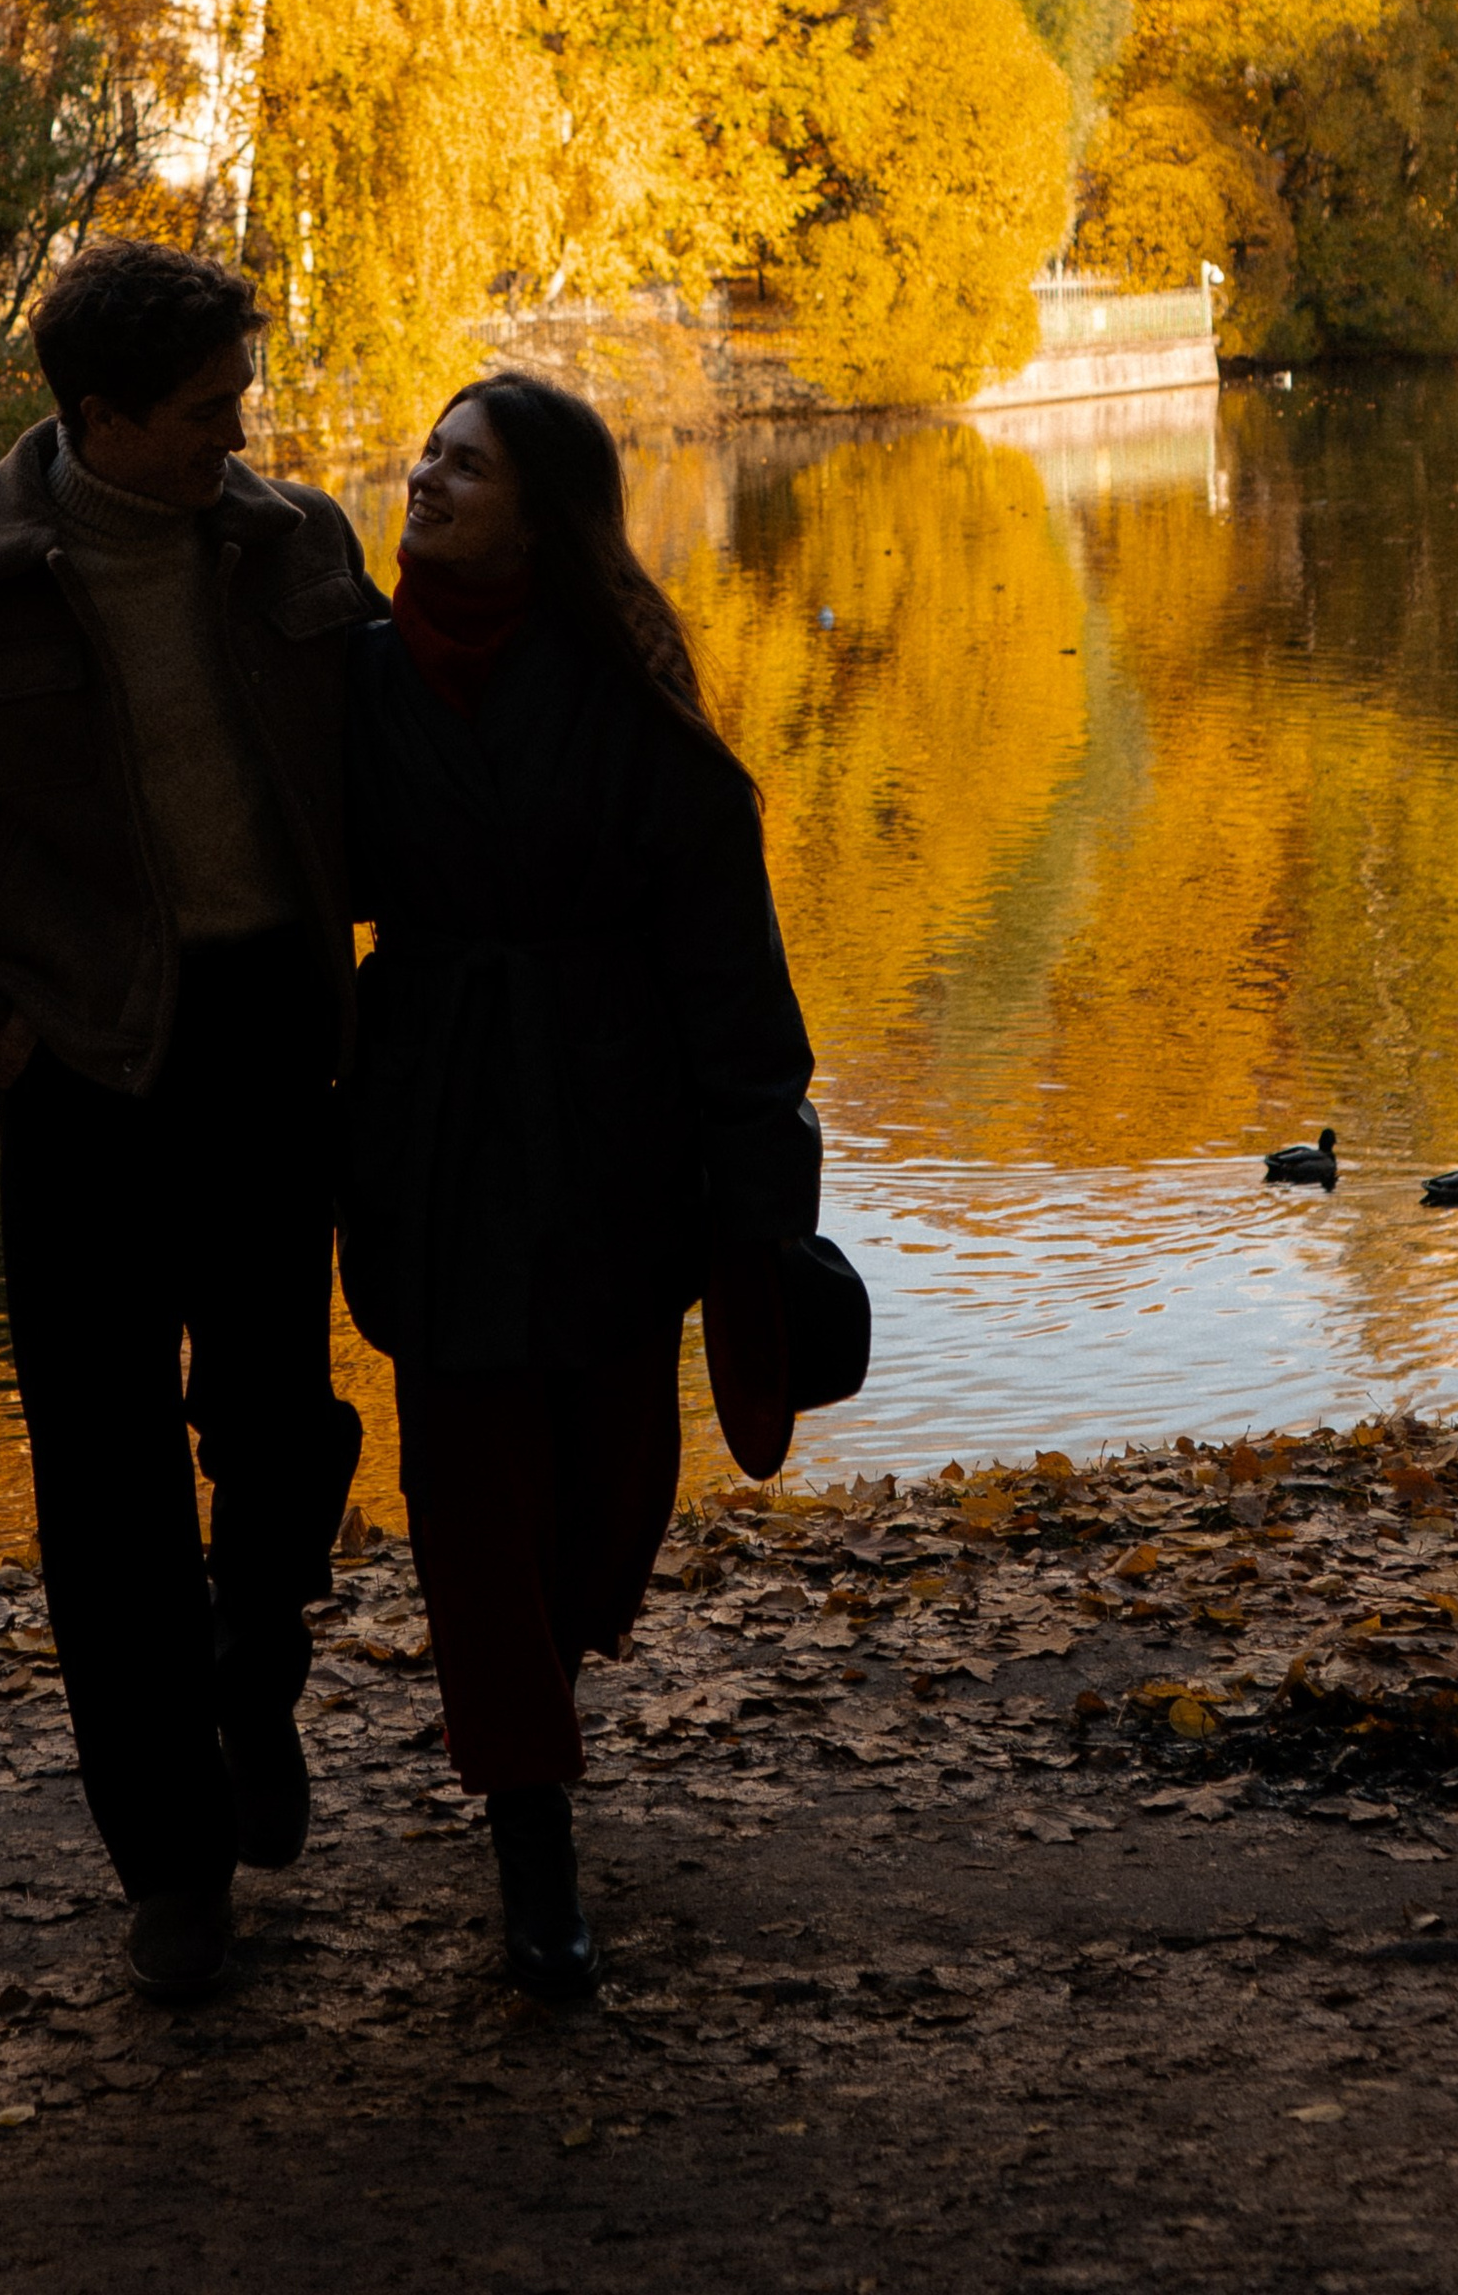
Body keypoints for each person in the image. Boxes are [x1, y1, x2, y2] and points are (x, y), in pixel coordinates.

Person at [0, 240, 376, 2004]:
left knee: (281, 1431)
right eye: (202, 413)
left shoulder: (296, 542)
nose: (235, 436)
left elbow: (394, 762)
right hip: (87, 1090)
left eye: (240, 403)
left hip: (278, 1053)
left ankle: (253, 1664)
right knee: (107, 1500)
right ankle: (174, 1874)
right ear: (100, 417)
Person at [339, 373, 820, 1995]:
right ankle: (530, 1833)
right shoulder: (358, 684)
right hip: (436, 1133)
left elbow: (733, 982)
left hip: (616, 1140)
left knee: (607, 1501)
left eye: (462, 465)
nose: (426, 478)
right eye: (428, 456)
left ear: (539, 507)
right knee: (470, 1501)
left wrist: (769, 1201)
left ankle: (541, 1676)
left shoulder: (629, 703)